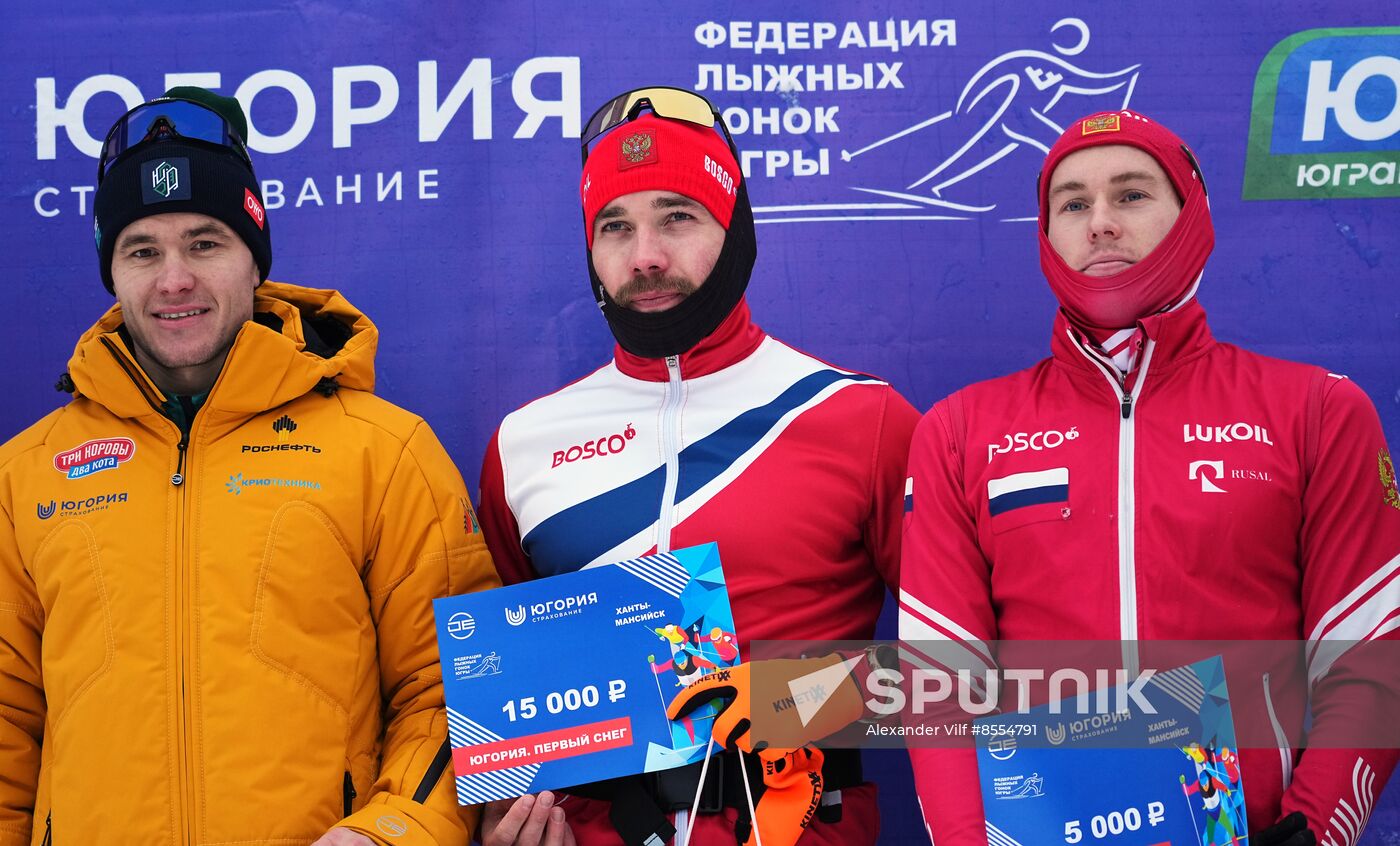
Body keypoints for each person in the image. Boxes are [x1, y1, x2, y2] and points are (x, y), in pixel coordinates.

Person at [0, 87, 508, 845]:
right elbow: (8, 721)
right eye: (143, 250)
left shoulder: (381, 449)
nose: (175, 279)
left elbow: (458, 688)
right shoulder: (25, 473)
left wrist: (390, 831)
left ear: (254, 260)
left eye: (205, 242)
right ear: (112, 270)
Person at [900, 109, 1400, 845]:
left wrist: (1314, 830)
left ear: (1191, 217)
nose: (1099, 222)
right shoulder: (960, 430)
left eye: (1131, 195)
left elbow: (1369, 659)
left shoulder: (1318, 410)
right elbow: (937, 686)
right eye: (1072, 203)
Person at [477, 87, 920, 845]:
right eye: (615, 226)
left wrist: (788, 701)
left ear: (735, 227)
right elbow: (498, 688)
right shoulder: (523, 443)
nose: (645, 256)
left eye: (677, 218)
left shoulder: (861, 419)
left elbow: (965, 676)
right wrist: (507, 816)